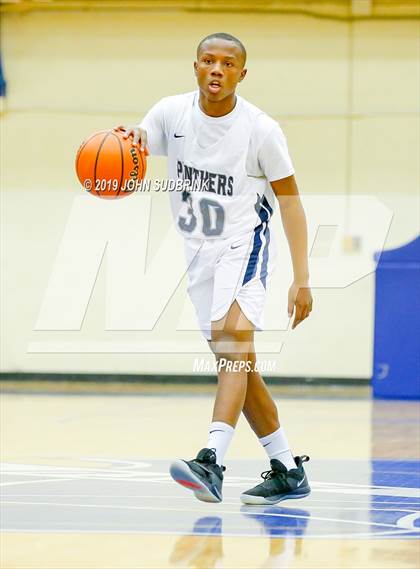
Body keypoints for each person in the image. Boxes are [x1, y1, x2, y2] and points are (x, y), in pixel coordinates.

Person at [121, 32, 313, 505]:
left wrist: (302, 277)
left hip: (242, 244)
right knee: (240, 365)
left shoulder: (261, 130)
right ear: (195, 66)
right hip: (198, 253)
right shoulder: (170, 113)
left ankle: (212, 460)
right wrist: (122, 144)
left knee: (232, 346)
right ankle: (287, 468)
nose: (216, 69)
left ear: (241, 75)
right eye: (208, 60)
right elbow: (138, 145)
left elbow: (290, 202)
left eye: (228, 64)